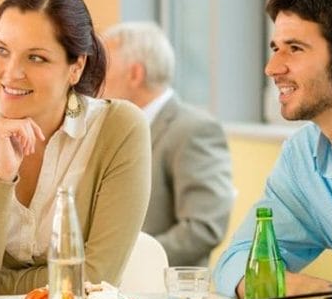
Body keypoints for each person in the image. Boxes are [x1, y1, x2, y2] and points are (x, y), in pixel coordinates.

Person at [0, 0, 151, 295]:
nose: (11, 73)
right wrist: (2, 175)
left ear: (75, 67)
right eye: (1, 51)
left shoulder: (120, 128)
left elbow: (97, 277)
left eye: (36, 58)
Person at [214, 0, 332, 298]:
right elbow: (237, 263)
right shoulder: (303, 159)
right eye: (276, 48)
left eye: (295, 48)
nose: (272, 68)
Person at [100, 22, 234, 266]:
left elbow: (204, 228)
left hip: (166, 291)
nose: (97, 81)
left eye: (104, 68)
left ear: (135, 74)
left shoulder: (194, 129)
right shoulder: (114, 128)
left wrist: (127, 261)